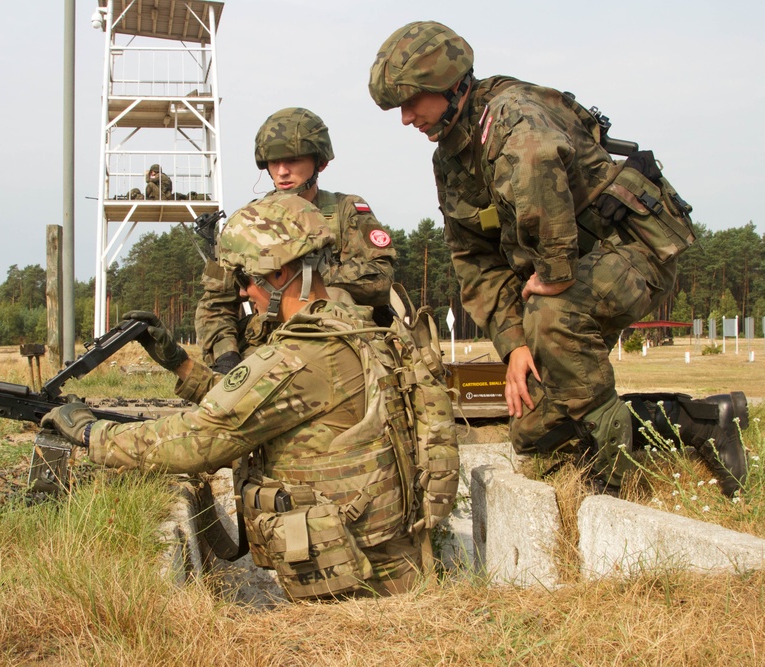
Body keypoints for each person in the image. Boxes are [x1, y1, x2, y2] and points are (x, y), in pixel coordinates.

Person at [368, 21, 747, 496]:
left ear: (447, 83)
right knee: (533, 426)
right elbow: (474, 260)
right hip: (577, 272)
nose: (406, 118)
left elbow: (537, 170)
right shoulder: (451, 159)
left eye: (410, 102)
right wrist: (514, 344)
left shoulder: (512, 115)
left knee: (554, 317)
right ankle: (703, 422)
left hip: (636, 250)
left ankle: (619, 490)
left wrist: (552, 273)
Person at [43, 192, 459, 600]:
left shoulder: (301, 355)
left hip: (358, 591)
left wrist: (90, 434)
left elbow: (200, 439)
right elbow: (257, 402)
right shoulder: (359, 328)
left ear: (279, 274)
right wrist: (178, 362)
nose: (242, 292)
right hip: (395, 567)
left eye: (244, 278)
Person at [195, 107, 397, 374]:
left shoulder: (345, 210)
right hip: (268, 347)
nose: (282, 171)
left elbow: (380, 279)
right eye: (273, 162)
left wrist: (303, 277)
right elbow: (215, 303)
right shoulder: (250, 223)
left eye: (293, 160)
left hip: (338, 344)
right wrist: (226, 359)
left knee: (335, 295)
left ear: (320, 162)